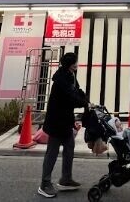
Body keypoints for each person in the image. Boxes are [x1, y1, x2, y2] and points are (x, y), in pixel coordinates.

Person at [38, 52, 89, 198]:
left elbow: (77, 90)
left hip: (65, 120)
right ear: (70, 64)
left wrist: (86, 99)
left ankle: (66, 179)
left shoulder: (70, 75)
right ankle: (44, 184)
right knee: (52, 152)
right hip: (56, 121)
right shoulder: (61, 79)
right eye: (75, 62)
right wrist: (84, 103)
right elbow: (71, 98)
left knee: (69, 147)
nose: (77, 64)